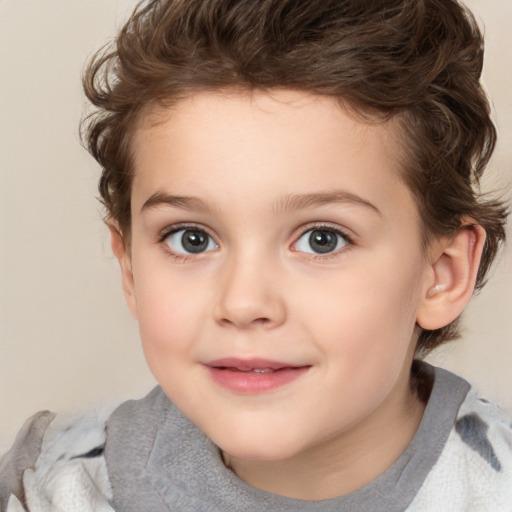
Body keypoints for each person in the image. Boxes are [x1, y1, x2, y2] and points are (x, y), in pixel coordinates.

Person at [1, 0, 511, 510]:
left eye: (322, 239)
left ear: (442, 274)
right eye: (191, 238)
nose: (244, 303)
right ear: (130, 266)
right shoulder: (59, 490)